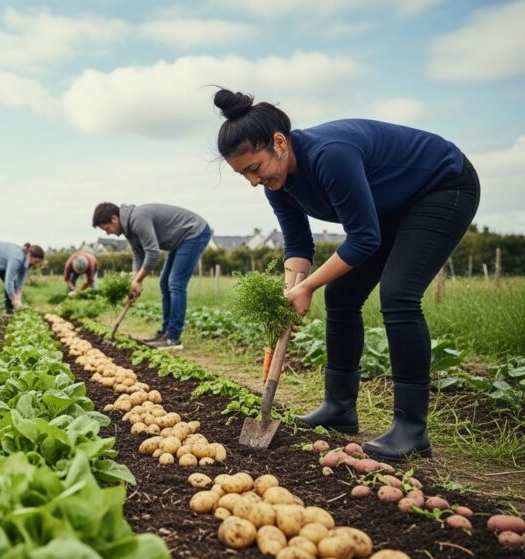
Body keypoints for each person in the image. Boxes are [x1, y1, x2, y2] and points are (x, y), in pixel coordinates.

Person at [213, 89, 479, 461]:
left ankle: (411, 429)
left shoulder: (329, 155)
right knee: (340, 296)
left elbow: (365, 237)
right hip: (391, 206)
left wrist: (308, 286)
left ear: (279, 143)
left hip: (442, 185)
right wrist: (291, 293)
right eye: (244, 175)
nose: (253, 181)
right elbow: (298, 246)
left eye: (254, 168)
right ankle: (339, 408)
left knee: (399, 293)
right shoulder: (278, 185)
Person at [93, 202, 211, 349]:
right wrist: (135, 282)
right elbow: (138, 254)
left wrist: (139, 280)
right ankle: (166, 333)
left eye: (107, 229)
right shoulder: (128, 228)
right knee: (164, 282)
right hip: (181, 240)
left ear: (114, 219)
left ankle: (173, 337)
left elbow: (153, 253)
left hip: (194, 232)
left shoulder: (138, 219)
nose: (108, 233)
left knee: (175, 283)